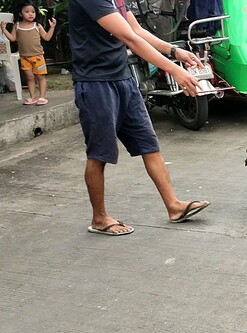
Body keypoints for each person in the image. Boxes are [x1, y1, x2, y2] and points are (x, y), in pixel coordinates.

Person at [69, 0, 210, 236]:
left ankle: (174, 206)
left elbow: (137, 30)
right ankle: (100, 218)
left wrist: (175, 51)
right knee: (99, 153)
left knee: (149, 144)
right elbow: (129, 38)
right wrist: (174, 69)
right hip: (95, 84)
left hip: (122, 80)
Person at [1, 1, 56, 105]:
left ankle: (42, 97)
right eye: (27, 11)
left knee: (40, 77)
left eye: (33, 12)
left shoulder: (37, 26)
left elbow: (47, 37)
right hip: (24, 58)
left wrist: (52, 27)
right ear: (20, 14)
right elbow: (13, 38)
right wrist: (4, 29)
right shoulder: (16, 26)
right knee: (29, 78)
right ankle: (32, 97)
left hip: (38, 57)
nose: (31, 14)